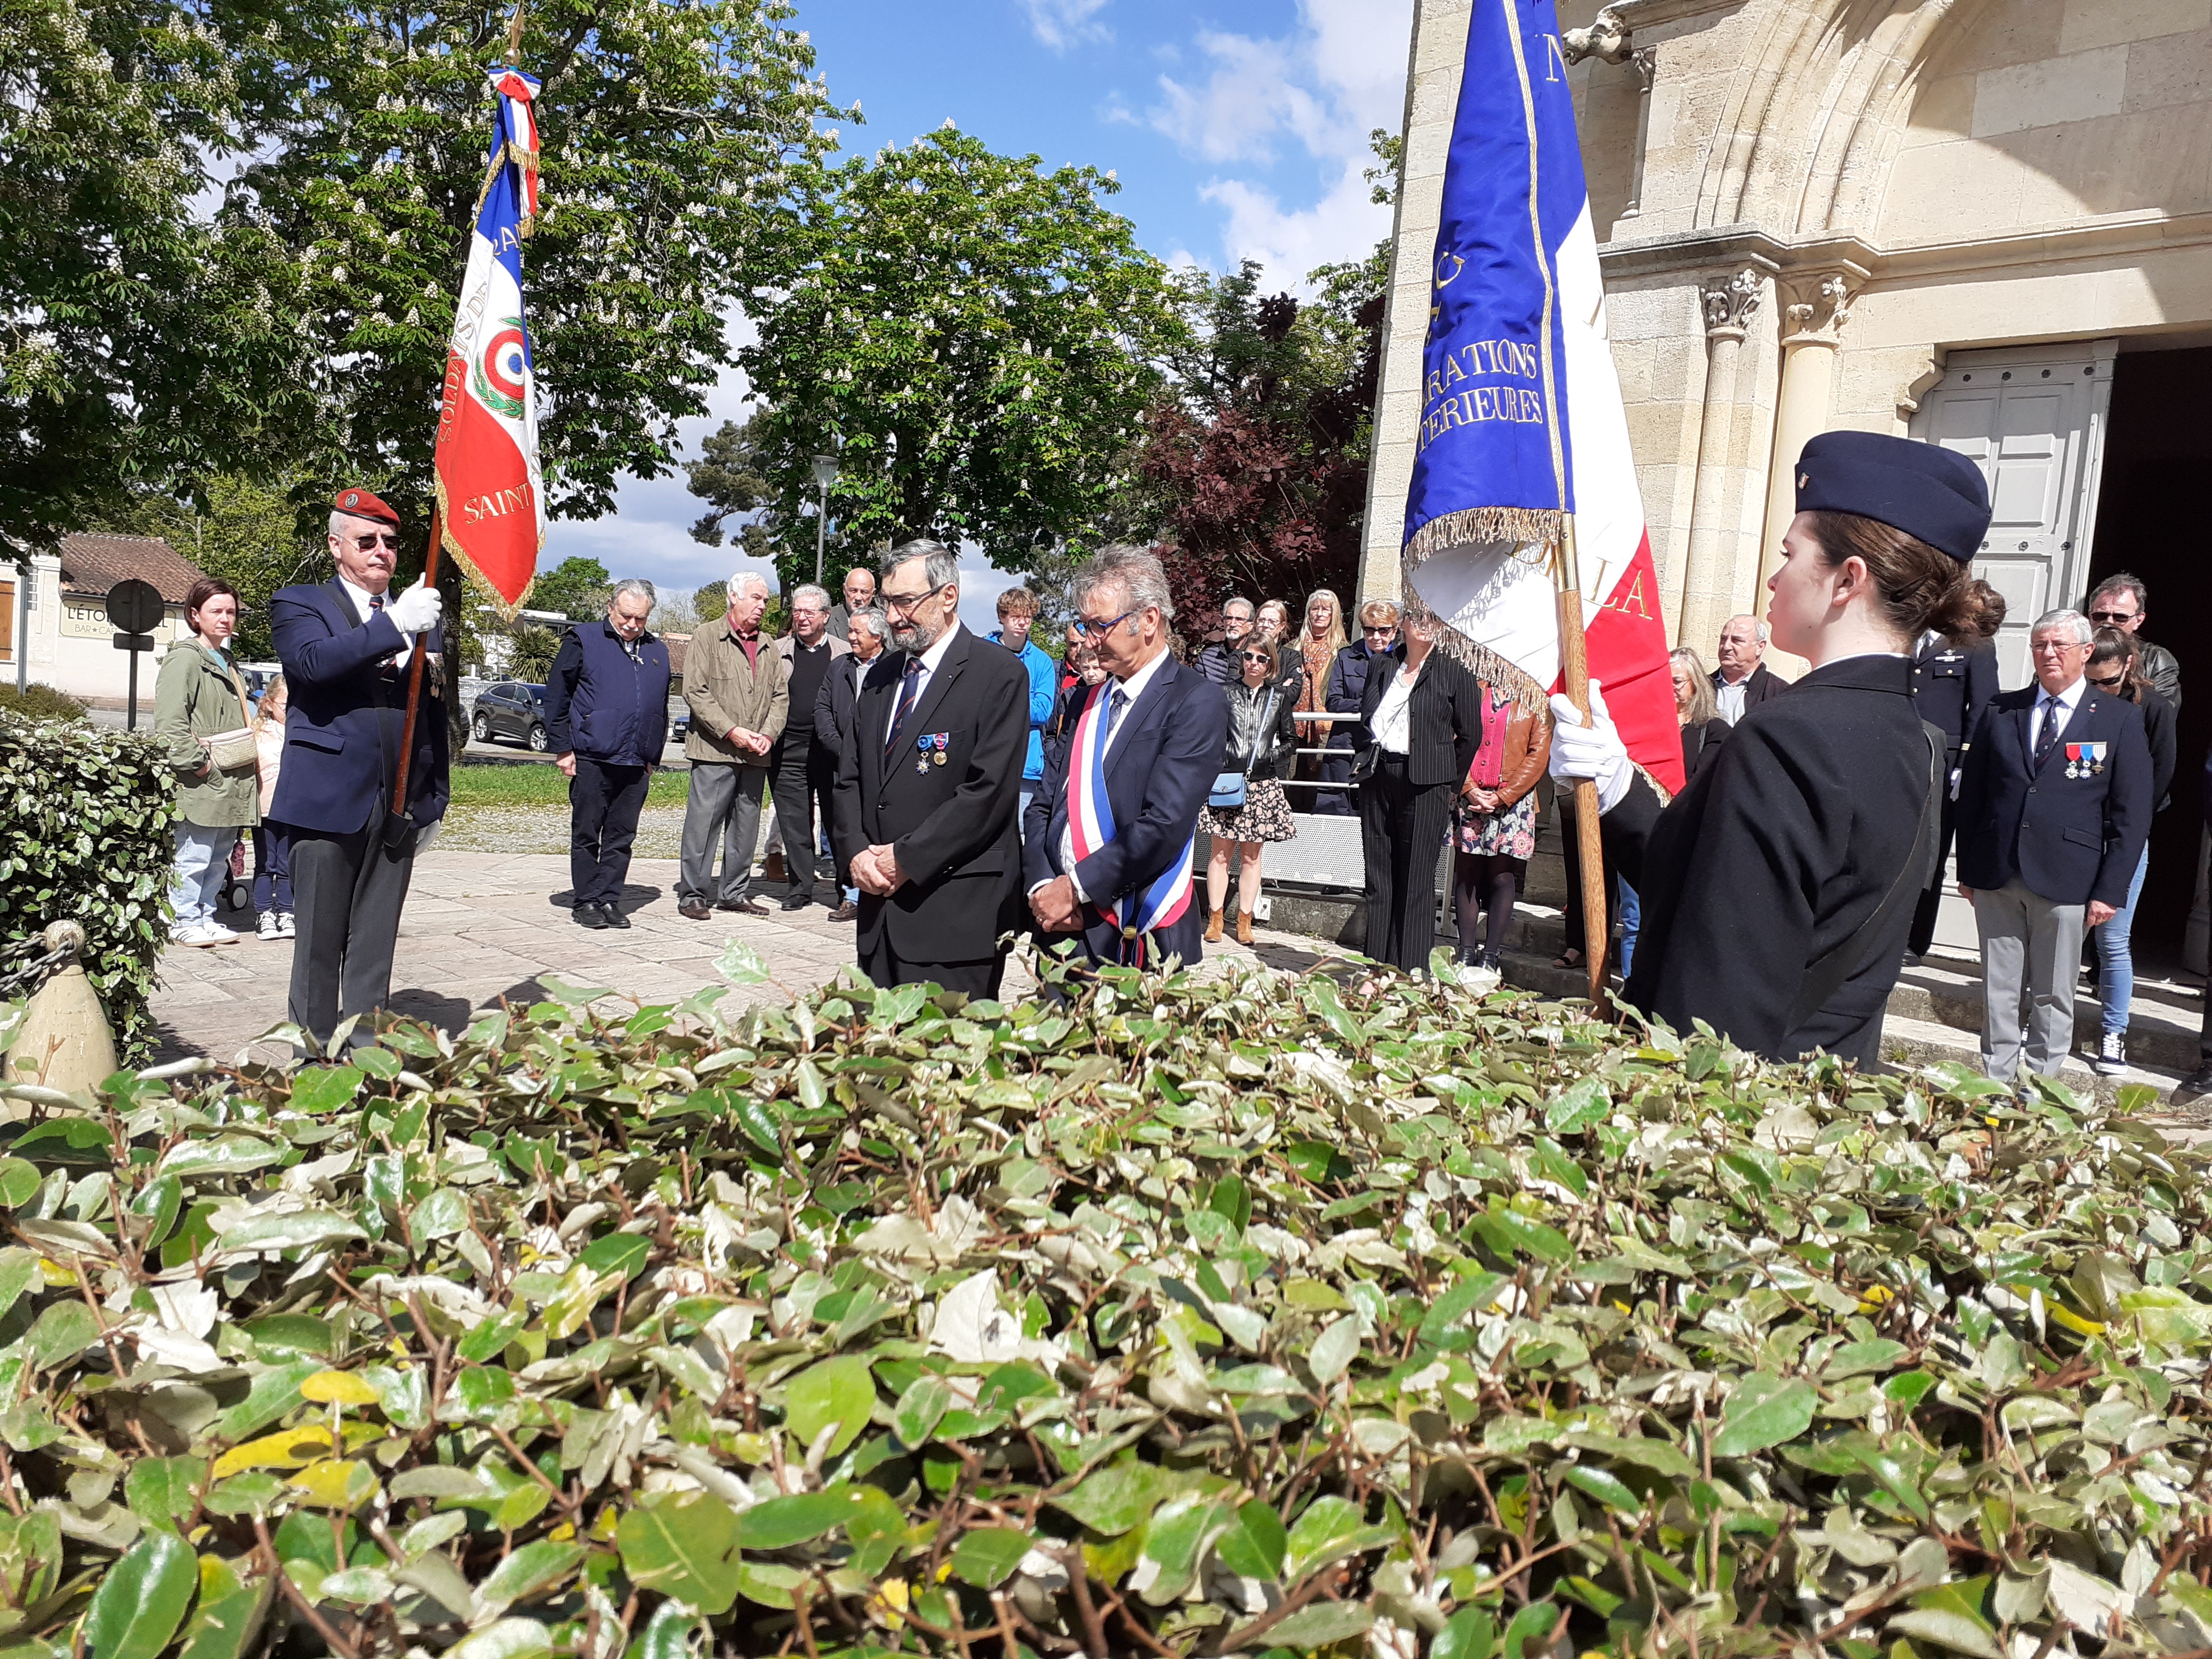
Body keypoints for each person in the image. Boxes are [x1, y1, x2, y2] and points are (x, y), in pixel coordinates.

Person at [1548, 430, 2005, 1066]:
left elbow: (1712, 995)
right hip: (1820, 1113)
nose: (1773, 576)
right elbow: (1726, 894)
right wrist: (1618, 785)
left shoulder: (1787, 735)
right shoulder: (1920, 741)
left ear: (1848, 579)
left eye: (1791, 554)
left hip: (1735, 1119)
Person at [269, 489, 449, 1050]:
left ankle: (369, 1055)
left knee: (375, 946)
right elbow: (313, 665)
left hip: (396, 800)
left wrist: (434, 796)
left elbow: (434, 710)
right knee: (319, 945)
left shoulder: (423, 612)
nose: (381, 552)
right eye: (366, 541)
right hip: (326, 798)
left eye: (391, 544)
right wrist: (394, 624)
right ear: (335, 545)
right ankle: (314, 1057)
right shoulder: (302, 603)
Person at [1956, 610, 2153, 1081]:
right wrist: (1966, 869)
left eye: (2059, 646)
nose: (2048, 654)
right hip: (1998, 873)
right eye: (2040, 645)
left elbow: (2132, 815)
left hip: (2068, 878)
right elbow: (1973, 798)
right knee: (1998, 989)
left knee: (2052, 992)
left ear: (2086, 653)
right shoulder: (2001, 711)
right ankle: (1996, 1084)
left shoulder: (2118, 720)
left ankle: (2042, 1088)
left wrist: (2111, 890)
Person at [831, 541, 1032, 995]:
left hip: (955, 918)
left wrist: (907, 858)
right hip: (878, 912)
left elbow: (988, 792)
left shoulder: (997, 674)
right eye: (887, 601)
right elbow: (849, 777)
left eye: (905, 601)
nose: (893, 615)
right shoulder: (882, 677)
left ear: (948, 596)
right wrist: (856, 853)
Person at [1024, 546, 1230, 969]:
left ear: (1149, 620)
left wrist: (1075, 887)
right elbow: (1044, 804)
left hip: (1139, 934)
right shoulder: (1083, 699)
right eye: (1085, 625)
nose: (1089, 639)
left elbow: (1165, 823)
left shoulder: (1196, 700)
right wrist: (1044, 885)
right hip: (1060, 929)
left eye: (1101, 625)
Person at [1357, 602, 1484, 974]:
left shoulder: (1454, 670)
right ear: (1404, 624)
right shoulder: (1384, 664)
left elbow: (1471, 735)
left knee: (1416, 878)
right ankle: (1376, 966)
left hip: (1428, 783)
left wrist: (1449, 785)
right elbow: (1366, 719)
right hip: (1380, 775)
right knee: (1379, 876)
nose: (1426, 625)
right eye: (1418, 618)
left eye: (1434, 619)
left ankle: (1411, 969)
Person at [541, 579, 671, 930]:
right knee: (587, 831)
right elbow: (558, 695)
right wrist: (563, 749)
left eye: (640, 619)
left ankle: (610, 899)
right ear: (611, 608)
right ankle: (586, 900)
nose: (632, 624)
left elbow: (660, 706)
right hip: (591, 755)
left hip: (635, 760)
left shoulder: (657, 651)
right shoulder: (583, 640)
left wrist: (652, 755)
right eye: (627, 616)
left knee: (622, 836)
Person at [2079, 626, 2176, 1074]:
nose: (2098, 691)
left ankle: (2114, 1033)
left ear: (2129, 666)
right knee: (2062, 934)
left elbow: (2156, 783)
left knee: (2113, 939)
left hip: (2124, 837)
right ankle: (2041, 1020)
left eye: (2107, 682)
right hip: (2077, 834)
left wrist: (2125, 830)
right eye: (2089, 681)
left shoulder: (2153, 709)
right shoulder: (2078, 702)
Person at [155, 577, 261, 947]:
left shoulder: (227, 659)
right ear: (195, 614)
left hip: (233, 777)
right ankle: (182, 918)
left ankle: (204, 914)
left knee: (218, 857)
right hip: (203, 779)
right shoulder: (185, 658)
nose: (225, 618)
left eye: (231, 611)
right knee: (193, 854)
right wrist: (200, 766)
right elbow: (171, 724)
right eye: (216, 611)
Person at [677, 572, 787, 921]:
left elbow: (780, 697)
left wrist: (767, 735)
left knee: (746, 826)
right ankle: (693, 894)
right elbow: (695, 691)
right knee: (704, 824)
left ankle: (734, 893)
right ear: (733, 597)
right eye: (756, 598)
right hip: (715, 751)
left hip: (756, 754)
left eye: (766, 600)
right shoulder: (707, 636)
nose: (762, 606)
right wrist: (732, 732)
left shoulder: (770, 645)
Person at [1905, 598, 2002, 960]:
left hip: (1942, 761)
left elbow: (1982, 708)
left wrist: (1966, 761)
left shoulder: (1974, 647)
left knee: (1930, 848)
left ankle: (1915, 940)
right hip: (1903, 750)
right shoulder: (1908, 634)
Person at [1198, 631, 1300, 946]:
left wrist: (1272, 757)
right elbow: (1209, 734)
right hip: (1227, 781)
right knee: (1220, 854)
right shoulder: (1225, 693)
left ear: (1271, 664)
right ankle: (1215, 918)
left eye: (1261, 658)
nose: (1253, 663)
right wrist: (1224, 758)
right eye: (1248, 656)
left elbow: (1292, 741)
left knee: (1252, 857)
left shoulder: (1279, 698)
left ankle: (1245, 921)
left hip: (1261, 784)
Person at [1450, 679, 1550, 988]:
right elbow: (1455, 737)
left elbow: (1538, 753)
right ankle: (1466, 950)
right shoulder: (1473, 690)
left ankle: (1491, 954)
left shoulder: (1536, 698)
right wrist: (1468, 789)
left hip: (1513, 802)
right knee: (1467, 871)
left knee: (1502, 876)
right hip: (1472, 797)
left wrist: (1504, 796)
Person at [768, 585, 849, 913]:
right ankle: (800, 888)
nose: (801, 618)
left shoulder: (845, 652)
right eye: (797, 611)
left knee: (839, 821)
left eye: (809, 612)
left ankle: (848, 892)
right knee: (795, 823)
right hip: (787, 750)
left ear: (826, 617)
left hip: (831, 753)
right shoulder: (777, 650)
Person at [814, 605, 887, 923]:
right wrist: (844, 752)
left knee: (877, 830)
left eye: (858, 632)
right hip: (841, 765)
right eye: (851, 630)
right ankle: (849, 895)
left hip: (882, 768)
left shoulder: (896, 669)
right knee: (845, 829)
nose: (850, 636)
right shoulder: (838, 667)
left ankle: (878, 891)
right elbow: (822, 711)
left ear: (879, 635)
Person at [989, 586, 1057, 830]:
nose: (1022, 623)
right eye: (1016, 616)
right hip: (986, 760)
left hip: (1026, 766)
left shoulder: (1043, 662)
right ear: (1003, 617)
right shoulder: (982, 655)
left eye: (1027, 617)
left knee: (1020, 834)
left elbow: (1042, 711)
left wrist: (1001, 700)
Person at [2084, 572, 2180, 709]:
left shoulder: (2156, 660)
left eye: (2120, 617)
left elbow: (2160, 713)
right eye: (2100, 616)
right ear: (2090, 616)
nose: (2108, 623)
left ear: (2138, 620)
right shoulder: (2075, 652)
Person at [1296, 588, 1351, 814]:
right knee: (1293, 785)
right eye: (1314, 609)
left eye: (1325, 609)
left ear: (1334, 614)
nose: (1319, 614)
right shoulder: (1293, 649)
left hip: (1326, 729)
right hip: (1296, 728)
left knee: (1319, 789)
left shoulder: (1344, 652)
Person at [251, 675, 293, 940]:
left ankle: (287, 912)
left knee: (288, 862)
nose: (290, 711)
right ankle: (264, 912)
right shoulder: (257, 732)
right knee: (266, 862)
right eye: (285, 706)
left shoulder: (300, 729)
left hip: (292, 808)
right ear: (269, 704)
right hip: (265, 807)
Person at [1710, 615, 1787, 725]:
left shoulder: (1778, 693)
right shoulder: (1700, 687)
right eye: (1723, 639)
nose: (1726, 647)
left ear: (1760, 647)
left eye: (1737, 641)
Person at [1671, 647, 1732, 783]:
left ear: (1695, 683)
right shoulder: (1650, 725)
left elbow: (1703, 784)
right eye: (1664, 680)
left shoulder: (1715, 730)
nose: (1669, 686)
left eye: (1677, 681)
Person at [1195, 597, 1256, 685]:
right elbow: (1197, 691)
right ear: (1224, 622)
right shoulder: (1207, 658)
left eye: (1239, 619)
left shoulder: (1257, 659)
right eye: (1229, 618)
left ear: (1250, 626)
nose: (1233, 624)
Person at [825, 566, 877, 644]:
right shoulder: (828, 619)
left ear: (873, 594)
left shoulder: (882, 621)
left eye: (864, 592)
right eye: (853, 591)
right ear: (844, 590)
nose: (858, 598)